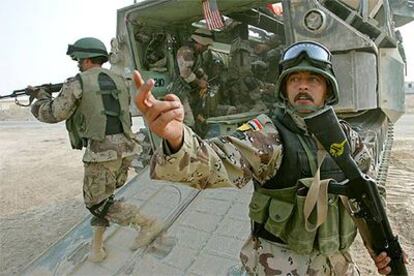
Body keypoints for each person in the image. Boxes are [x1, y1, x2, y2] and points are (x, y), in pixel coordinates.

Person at [134, 41, 408, 275]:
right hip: (276, 267)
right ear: (285, 89)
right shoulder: (269, 134)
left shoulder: (349, 140)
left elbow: (367, 200)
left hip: (336, 266)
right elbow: (215, 162)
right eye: (294, 80)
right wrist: (176, 138)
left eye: (312, 80)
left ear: (328, 89)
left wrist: (379, 249)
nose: (302, 86)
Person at [30, 37, 162, 263]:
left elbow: (53, 113)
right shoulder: (120, 79)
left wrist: (39, 98)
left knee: (97, 203)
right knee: (105, 197)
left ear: (87, 59)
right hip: (126, 149)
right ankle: (96, 248)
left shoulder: (78, 82)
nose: (78, 64)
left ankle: (148, 225)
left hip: (102, 153)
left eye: (79, 61)